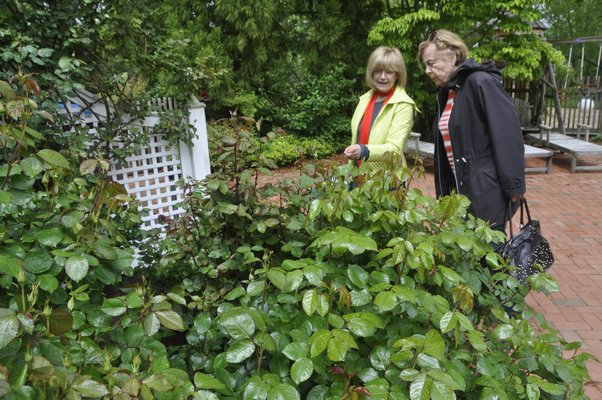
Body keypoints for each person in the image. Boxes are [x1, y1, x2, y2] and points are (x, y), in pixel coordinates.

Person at [417, 29, 525, 231]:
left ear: (453, 56)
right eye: (425, 65)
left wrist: (514, 184)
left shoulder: (480, 82)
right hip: (462, 193)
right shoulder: (448, 92)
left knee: (487, 256)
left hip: (486, 194)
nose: (427, 71)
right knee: (469, 258)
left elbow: (507, 134)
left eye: (431, 63)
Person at [344, 46, 417, 180]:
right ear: (371, 73)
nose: (382, 77)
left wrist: (364, 151)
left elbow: (394, 149)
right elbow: (358, 138)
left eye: (389, 72)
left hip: (386, 182)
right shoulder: (365, 99)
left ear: (397, 74)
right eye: (378, 71)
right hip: (358, 176)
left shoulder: (403, 104)